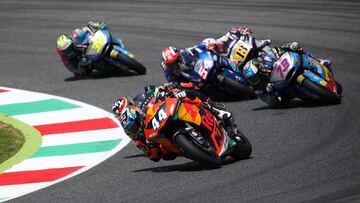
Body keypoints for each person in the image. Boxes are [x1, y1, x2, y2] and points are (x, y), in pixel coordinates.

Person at [112, 82, 238, 162]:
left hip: (167, 112)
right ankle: (193, 150)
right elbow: (153, 157)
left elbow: (155, 90)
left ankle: (215, 109)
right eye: (131, 128)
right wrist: (151, 147)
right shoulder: (133, 135)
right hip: (162, 137)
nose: (133, 129)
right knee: (167, 156)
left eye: (133, 125)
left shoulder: (141, 99)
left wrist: (165, 88)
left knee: (184, 93)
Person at [243, 41, 333, 107]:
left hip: (285, 70)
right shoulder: (258, 89)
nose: (255, 81)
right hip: (285, 91)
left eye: (255, 78)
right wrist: (270, 93)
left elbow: (276, 50)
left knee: (300, 51)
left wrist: (289, 46)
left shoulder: (265, 61)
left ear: (259, 69)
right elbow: (270, 102)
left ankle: (319, 61)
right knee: (307, 100)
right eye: (252, 80)